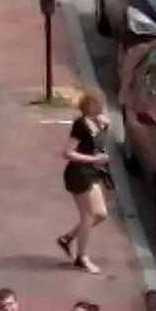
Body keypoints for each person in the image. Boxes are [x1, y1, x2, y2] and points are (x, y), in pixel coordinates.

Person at [59, 90, 114, 272]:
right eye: (97, 104)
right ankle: (82, 257)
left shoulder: (99, 121)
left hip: (92, 172)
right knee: (89, 215)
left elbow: (99, 143)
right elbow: (68, 152)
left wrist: (105, 126)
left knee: (101, 214)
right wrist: (94, 160)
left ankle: (68, 238)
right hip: (79, 173)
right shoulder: (80, 125)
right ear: (89, 106)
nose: (101, 107)